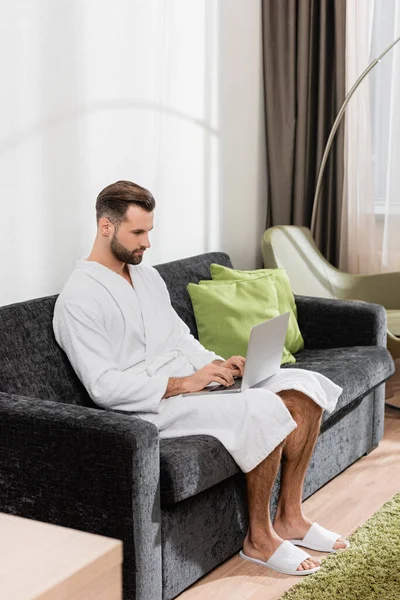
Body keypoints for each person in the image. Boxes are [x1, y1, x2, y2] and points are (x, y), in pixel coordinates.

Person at [53, 180, 349, 576]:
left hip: (187, 388)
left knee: (304, 389)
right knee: (264, 407)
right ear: (106, 227)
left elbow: (180, 338)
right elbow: (103, 387)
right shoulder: (77, 299)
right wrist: (185, 383)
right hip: (146, 408)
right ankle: (259, 539)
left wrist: (219, 365)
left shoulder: (146, 278)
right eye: (137, 233)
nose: (147, 243)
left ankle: (290, 517)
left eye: (149, 232)